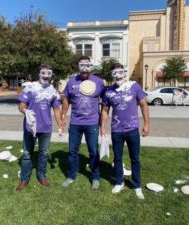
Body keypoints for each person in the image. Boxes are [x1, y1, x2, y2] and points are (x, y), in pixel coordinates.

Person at [100, 63, 150, 199]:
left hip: (132, 129)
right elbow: (105, 110)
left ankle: (137, 185)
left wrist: (146, 124)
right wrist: (102, 127)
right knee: (117, 158)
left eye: (120, 72)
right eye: (114, 73)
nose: (117, 75)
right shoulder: (109, 91)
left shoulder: (134, 87)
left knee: (135, 158)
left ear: (124, 73)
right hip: (116, 130)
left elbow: (144, 105)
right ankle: (119, 182)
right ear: (111, 75)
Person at [16, 65, 62, 191]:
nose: (46, 76)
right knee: (26, 154)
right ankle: (24, 179)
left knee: (43, 154)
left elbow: (57, 108)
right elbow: (21, 105)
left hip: (46, 128)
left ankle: (41, 176)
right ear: (39, 74)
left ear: (51, 75)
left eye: (48, 73)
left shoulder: (53, 91)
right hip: (30, 127)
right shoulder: (30, 88)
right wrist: (25, 111)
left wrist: (60, 122)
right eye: (43, 73)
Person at [61, 56, 105, 190]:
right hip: (75, 123)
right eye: (82, 65)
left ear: (91, 66)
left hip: (92, 123)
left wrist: (102, 121)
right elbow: (66, 99)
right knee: (72, 151)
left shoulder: (99, 82)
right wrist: (63, 115)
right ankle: (71, 176)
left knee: (93, 151)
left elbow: (105, 102)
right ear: (78, 67)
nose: (85, 69)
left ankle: (95, 177)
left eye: (87, 65)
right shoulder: (71, 81)